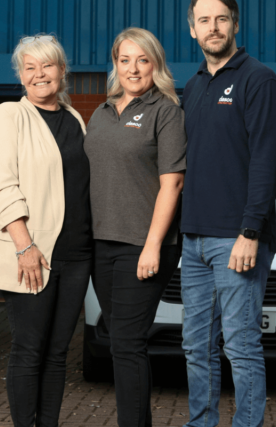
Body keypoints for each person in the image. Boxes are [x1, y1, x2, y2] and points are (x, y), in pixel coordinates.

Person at [180, 0, 276, 427]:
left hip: (237, 239)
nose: (213, 27)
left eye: (221, 19)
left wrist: (250, 231)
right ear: (192, 30)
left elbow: (268, 161)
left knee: (241, 346)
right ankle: (201, 422)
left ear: (236, 25)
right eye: (204, 20)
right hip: (194, 241)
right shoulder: (193, 86)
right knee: (195, 346)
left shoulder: (258, 80)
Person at [0, 35, 92, 427]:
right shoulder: (9, 115)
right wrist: (24, 246)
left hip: (76, 255)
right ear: (20, 76)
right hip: (32, 254)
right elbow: (1, 184)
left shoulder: (75, 118)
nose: (39, 74)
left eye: (47, 65)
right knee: (29, 350)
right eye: (30, 67)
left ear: (62, 71)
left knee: (58, 352)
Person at [84, 27, 186, 427]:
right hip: (100, 245)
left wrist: (153, 245)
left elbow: (172, 183)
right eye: (125, 60)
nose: (133, 68)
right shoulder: (101, 111)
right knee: (120, 343)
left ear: (156, 64)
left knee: (126, 343)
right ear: (115, 64)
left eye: (142, 59)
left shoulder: (167, 112)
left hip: (141, 246)